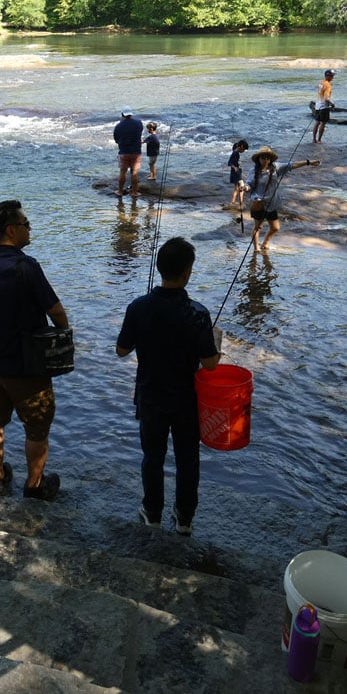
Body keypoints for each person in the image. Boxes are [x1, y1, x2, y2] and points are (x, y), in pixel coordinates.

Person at [0, 200, 68, 501]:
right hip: (27, 367)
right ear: (11, 229)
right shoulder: (26, 266)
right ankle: (34, 485)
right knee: (37, 428)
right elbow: (55, 310)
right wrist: (65, 335)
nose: (29, 228)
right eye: (25, 223)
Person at [116, 237, 220, 535]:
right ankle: (185, 519)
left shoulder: (138, 307)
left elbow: (121, 350)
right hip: (187, 400)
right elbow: (210, 364)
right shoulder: (198, 313)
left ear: (160, 268)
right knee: (188, 459)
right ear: (187, 272)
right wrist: (216, 351)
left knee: (153, 456)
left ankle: (152, 512)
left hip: (150, 396)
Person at [247, 146, 319, 251]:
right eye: (263, 157)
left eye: (267, 157)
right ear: (258, 158)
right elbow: (249, 184)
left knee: (275, 227)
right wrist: (245, 187)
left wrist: (308, 162)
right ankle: (256, 248)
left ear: (270, 159)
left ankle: (265, 242)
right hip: (258, 203)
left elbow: (292, 165)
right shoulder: (254, 171)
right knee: (258, 227)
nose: (265, 159)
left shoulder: (276, 167)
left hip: (271, 203)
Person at [113, 109, 144, 197]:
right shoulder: (138, 123)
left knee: (123, 172)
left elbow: (116, 140)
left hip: (123, 151)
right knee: (134, 173)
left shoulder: (119, 126)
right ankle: (134, 192)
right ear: (131, 114)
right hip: (136, 152)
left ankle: (120, 191)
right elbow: (140, 132)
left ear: (122, 115)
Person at [313, 69, 335, 142]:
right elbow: (326, 98)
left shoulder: (321, 83)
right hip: (324, 107)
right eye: (332, 76)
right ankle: (319, 140)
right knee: (322, 123)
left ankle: (314, 139)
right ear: (328, 76)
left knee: (317, 122)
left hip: (317, 105)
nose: (333, 77)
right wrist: (332, 104)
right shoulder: (328, 85)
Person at [227, 140, 250, 206]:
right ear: (241, 147)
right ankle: (241, 203)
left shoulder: (235, 152)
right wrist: (235, 168)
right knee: (242, 187)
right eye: (244, 149)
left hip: (236, 173)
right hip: (236, 174)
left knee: (236, 188)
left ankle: (233, 202)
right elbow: (229, 163)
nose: (243, 151)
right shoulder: (236, 153)